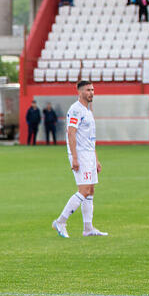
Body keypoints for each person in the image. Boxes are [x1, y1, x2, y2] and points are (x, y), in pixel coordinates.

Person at [52, 80, 107, 238]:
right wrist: (75, 157)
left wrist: (95, 159)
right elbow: (71, 133)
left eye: (93, 90)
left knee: (90, 190)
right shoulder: (76, 110)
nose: (91, 93)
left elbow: (90, 138)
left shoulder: (88, 111)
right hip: (80, 154)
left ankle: (88, 228)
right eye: (88, 90)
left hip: (88, 154)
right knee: (83, 190)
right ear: (80, 92)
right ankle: (61, 221)